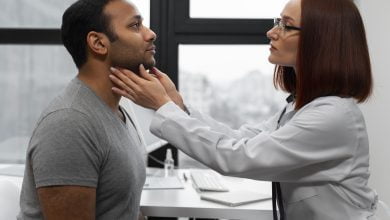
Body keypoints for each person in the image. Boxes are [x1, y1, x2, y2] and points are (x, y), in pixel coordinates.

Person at [109, 0, 379, 219]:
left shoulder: (332, 116)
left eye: (286, 26)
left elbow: (240, 157)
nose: (272, 32)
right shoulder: (303, 107)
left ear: (321, 40)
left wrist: (162, 106)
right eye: (278, 22)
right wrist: (178, 105)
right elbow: (242, 138)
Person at [17, 0, 156, 219]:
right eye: (135, 26)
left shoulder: (119, 112)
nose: (150, 34)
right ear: (98, 43)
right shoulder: (70, 123)